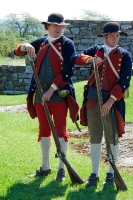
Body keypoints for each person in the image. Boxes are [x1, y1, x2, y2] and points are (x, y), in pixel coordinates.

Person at [14, 13, 79, 182]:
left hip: (58, 94)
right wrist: (24, 46)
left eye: (61, 26)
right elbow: (17, 50)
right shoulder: (40, 42)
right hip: (39, 95)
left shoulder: (67, 44)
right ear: (47, 26)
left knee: (60, 131)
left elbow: (68, 71)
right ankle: (45, 167)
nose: (58, 28)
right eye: (55, 25)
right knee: (44, 131)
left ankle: (61, 169)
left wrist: (51, 89)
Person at [70, 22, 132, 187]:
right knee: (94, 139)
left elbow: (125, 81)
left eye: (117, 35)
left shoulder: (124, 55)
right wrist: (90, 60)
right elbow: (74, 57)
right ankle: (94, 173)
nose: (115, 38)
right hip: (92, 102)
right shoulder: (95, 50)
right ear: (104, 37)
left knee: (112, 140)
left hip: (112, 104)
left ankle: (111, 174)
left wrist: (111, 101)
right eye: (112, 35)